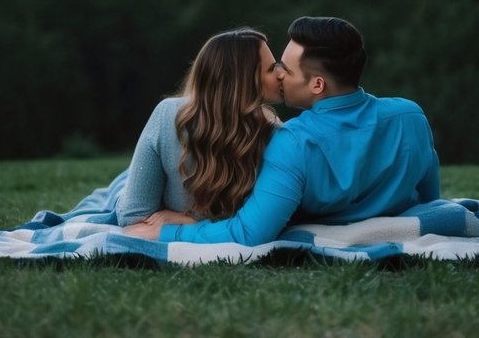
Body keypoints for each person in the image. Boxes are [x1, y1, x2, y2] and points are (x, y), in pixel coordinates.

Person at [125, 15, 440, 244]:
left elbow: (250, 231)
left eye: (285, 68)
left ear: (317, 84)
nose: (279, 75)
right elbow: (429, 200)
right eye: (274, 67)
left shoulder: (289, 141)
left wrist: (174, 229)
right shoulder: (411, 115)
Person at [115, 27, 283, 227]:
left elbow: (262, 221)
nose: (281, 74)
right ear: (246, 80)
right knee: (116, 190)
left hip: (150, 192)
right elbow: (132, 216)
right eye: (272, 68)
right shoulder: (169, 116)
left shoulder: (274, 134)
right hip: (129, 190)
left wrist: (190, 219)